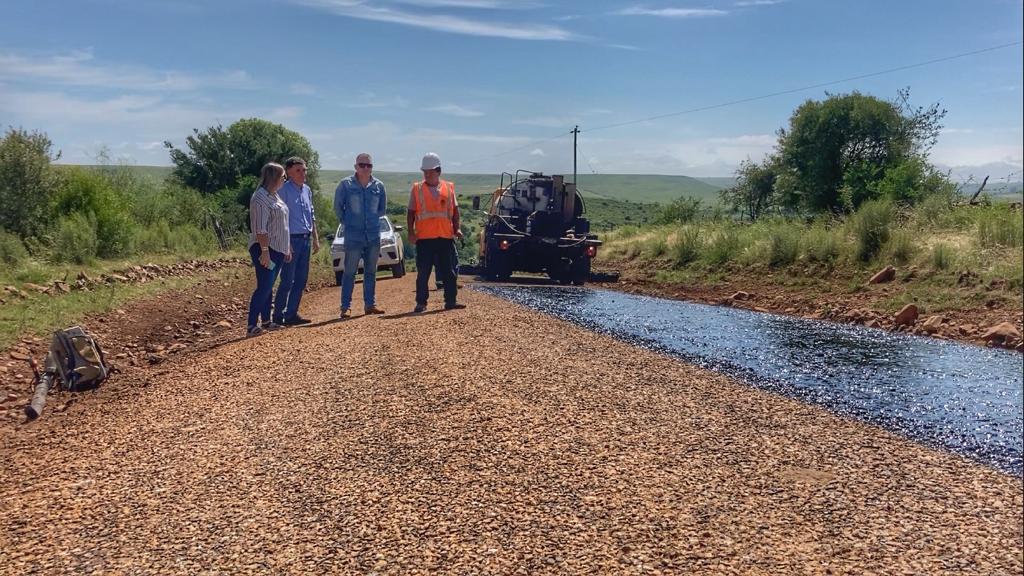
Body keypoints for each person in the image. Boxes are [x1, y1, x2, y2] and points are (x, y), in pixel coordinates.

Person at [407, 152, 465, 313]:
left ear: (438, 171)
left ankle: (451, 301)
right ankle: (421, 303)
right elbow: (411, 212)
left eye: (430, 171)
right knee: (423, 273)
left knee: (449, 272)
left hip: (445, 237)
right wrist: (411, 233)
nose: (427, 174)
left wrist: (457, 228)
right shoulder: (417, 189)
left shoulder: (448, 187)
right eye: (425, 171)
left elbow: (455, 210)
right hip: (424, 238)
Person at [334, 153, 387, 318]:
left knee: (371, 271)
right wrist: (349, 222)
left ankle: (370, 305)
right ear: (355, 166)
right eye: (362, 165)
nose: (365, 168)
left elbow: (381, 210)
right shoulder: (345, 185)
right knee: (350, 272)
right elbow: (338, 207)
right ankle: (345, 307)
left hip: (372, 235)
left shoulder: (379, 186)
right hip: (353, 236)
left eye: (369, 165)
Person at [272, 157, 319, 326]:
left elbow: (311, 215)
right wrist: (285, 242)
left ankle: (291, 314)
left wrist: (316, 238)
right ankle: (278, 315)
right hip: (291, 239)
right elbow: (279, 217)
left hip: (306, 239)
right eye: (299, 170)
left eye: (304, 170)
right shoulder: (283, 190)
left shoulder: (307, 190)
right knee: (287, 279)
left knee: (301, 279)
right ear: (289, 172)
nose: (303, 173)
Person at [247, 163, 292, 337]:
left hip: (278, 249)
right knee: (264, 286)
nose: (284, 180)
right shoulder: (260, 198)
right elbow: (260, 229)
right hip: (266, 248)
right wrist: (264, 251)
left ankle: (266, 321)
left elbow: (282, 225)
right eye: (283, 177)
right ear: (274, 178)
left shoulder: (275, 196)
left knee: (269, 285)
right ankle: (251, 324)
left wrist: (286, 247)